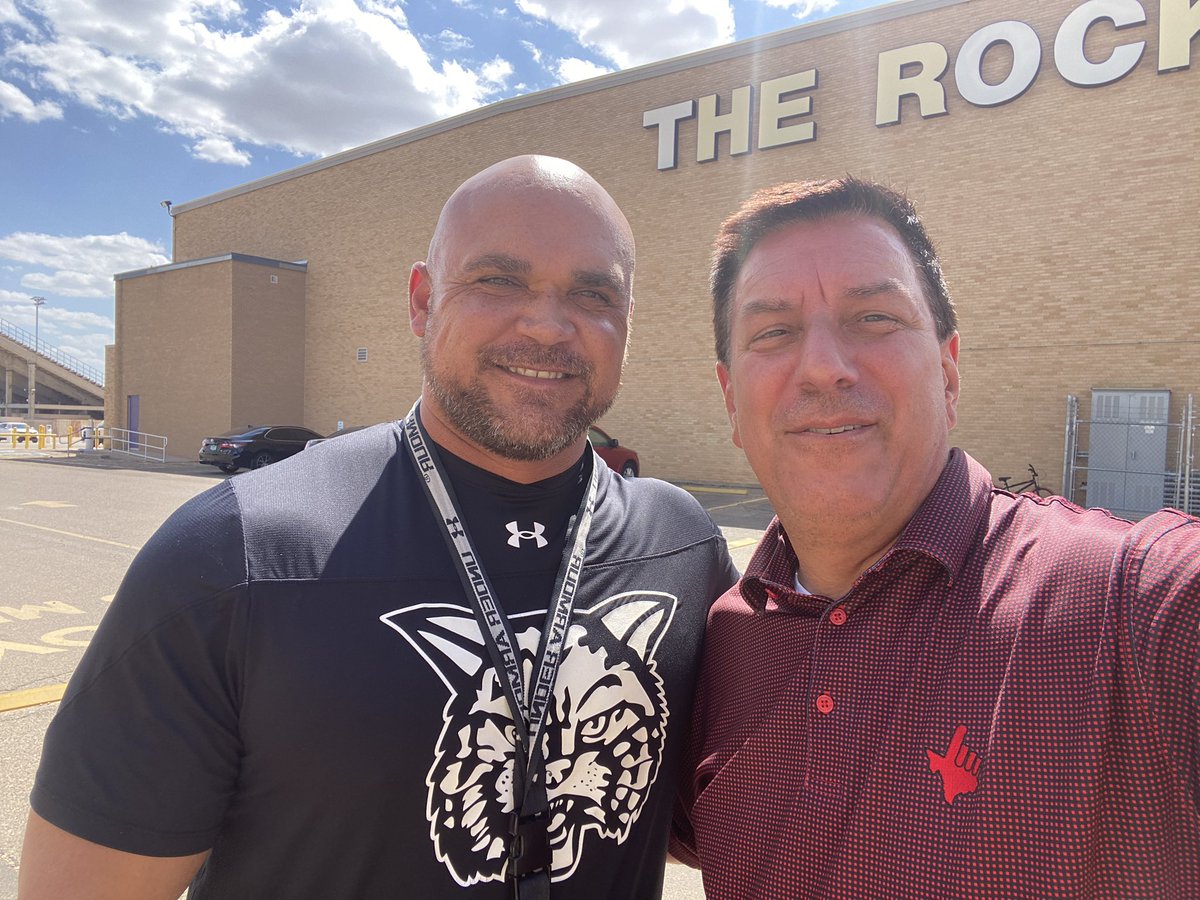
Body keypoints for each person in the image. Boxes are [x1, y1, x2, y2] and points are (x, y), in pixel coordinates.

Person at [20, 155, 737, 900]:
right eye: (498, 279)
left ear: (627, 320)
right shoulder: (235, 555)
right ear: (423, 303)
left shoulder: (681, 545)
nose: (548, 325)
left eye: (593, 293)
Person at [670, 177, 1200, 897]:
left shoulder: (1130, 607)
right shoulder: (718, 644)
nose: (825, 365)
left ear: (949, 374)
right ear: (733, 401)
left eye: (874, 318)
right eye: (773, 332)